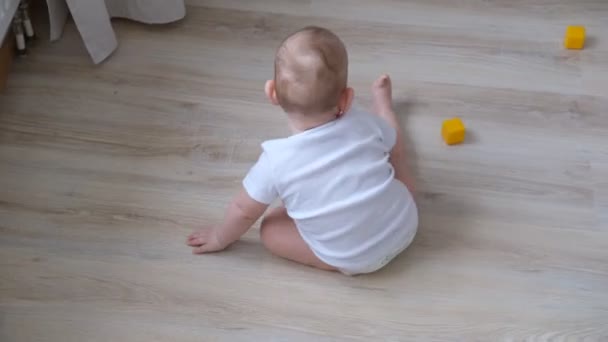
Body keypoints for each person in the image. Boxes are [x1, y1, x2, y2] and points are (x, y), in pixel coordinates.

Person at [187, 26, 417, 275]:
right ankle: (384, 108)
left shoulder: (276, 161)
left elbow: (243, 211)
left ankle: (335, 260)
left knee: (270, 229)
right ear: (347, 99)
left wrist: (221, 237)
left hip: (358, 260)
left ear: (271, 92)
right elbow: (394, 148)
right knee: (394, 153)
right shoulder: (363, 122)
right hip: (406, 224)